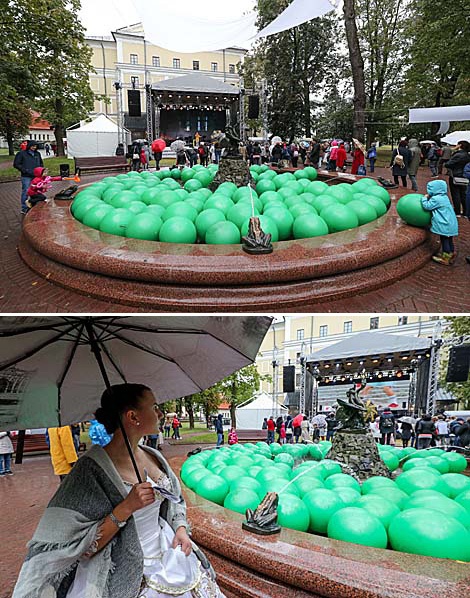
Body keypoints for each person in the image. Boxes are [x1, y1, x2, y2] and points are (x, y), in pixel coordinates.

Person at [13, 383, 223, 598]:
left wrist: (179, 528)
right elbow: (82, 548)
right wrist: (126, 507)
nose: (160, 413)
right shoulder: (90, 469)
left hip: (171, 555)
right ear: (133, 417)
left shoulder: (153, 455)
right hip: (122, 568)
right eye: (154, 406)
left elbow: (175, 500)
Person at [421, 179, 459, 266]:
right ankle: (451, 253)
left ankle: (445, 257)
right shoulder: (444, 197)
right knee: (449, 239)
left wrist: (424, 198)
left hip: (444, 224)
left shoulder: (436, 199)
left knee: (444, 239)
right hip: (451, 223)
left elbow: (427, 206)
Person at [13, 140, 44, 214]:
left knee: (36, 191)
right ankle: (24, 208)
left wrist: (41, 170)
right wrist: (24, 170)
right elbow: (16, 164)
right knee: (26, 191)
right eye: (33, 146)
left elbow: (41, 163)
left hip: (36, 176)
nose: (34, 147)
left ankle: (34, 204)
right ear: (29, 146)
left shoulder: (37, 154)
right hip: (26, 176)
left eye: (35, 146)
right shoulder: (21, 154)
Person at [444, 139, 470, 217]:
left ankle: (457, 211)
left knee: (455, 194)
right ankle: (466, 212)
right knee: (464, 194)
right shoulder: (467, 155)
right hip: (465, 176)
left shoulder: (458, 154)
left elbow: (448, 164)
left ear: (460, 145)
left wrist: (452, 154)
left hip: (455, 175)